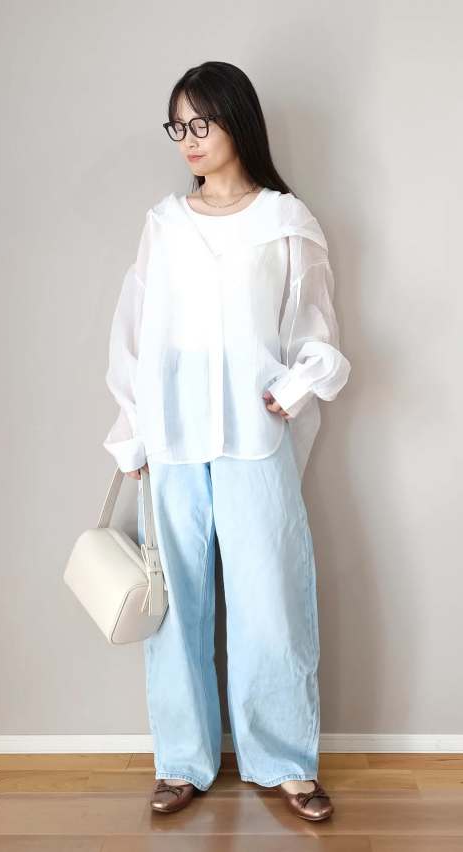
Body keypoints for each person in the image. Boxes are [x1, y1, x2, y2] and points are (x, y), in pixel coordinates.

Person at [103, 61, 351, 821]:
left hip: (253, 435)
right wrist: (133, 433)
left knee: (271, 597)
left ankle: (285, 762)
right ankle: (182, 762)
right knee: (176, 604)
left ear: (236, 120)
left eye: (200, 122)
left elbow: (314, 328)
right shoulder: (164, 223)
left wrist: (293, 388)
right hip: (172, 436)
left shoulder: (285, 221)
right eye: (178, 125)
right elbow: (134, 333)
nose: (188, 138)